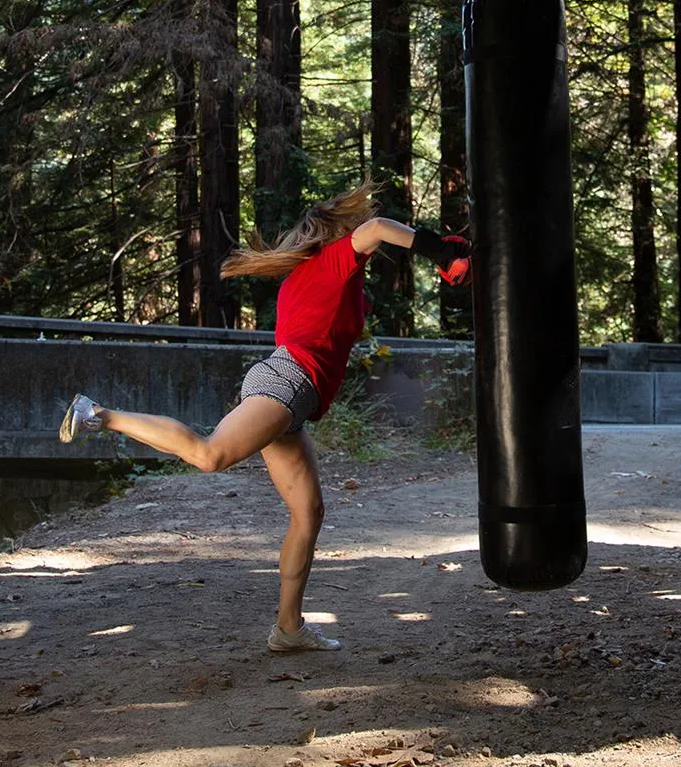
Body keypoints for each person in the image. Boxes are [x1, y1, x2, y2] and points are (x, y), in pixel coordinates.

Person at [58, 179, 470, 653]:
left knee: (308, 513)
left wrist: (454, 254)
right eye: (354, 231)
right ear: (340, 235)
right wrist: (440, 250)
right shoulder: (333, 260)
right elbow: (378, 228)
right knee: (210, 455)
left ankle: (288, 629)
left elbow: (341, 311)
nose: (367, 238)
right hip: (287, 383)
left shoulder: (314, 276)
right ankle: (99, 415)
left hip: (291, 394)